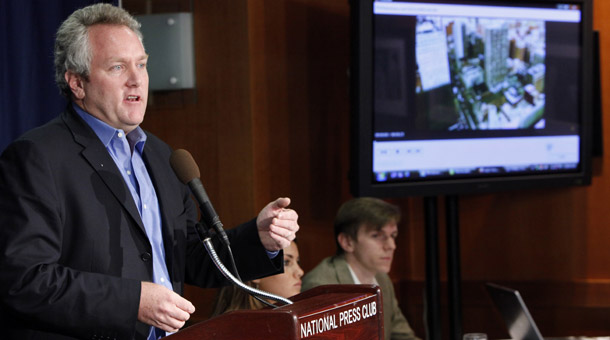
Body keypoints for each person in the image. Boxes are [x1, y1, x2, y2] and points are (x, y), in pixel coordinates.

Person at [0, 4, 299, 340]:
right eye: (117, 67)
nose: (136, 78)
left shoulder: (160, 156)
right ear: (77, 83)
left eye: (141, 64)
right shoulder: (37, 157)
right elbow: (25, 280)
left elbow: (190, 256)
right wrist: (134, 302)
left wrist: (259, 240)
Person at [301, 197, 419, 340]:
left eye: (392, 236)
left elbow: (402, 335)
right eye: (377, 236)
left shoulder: (382, 279)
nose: (391, 246)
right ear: (347, 242)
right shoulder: (320, 289)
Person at [210, 240, 304, 316]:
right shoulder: (236, 328)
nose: (300, 272)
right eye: (286, 262)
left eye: (298, 262)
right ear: (256, 272)